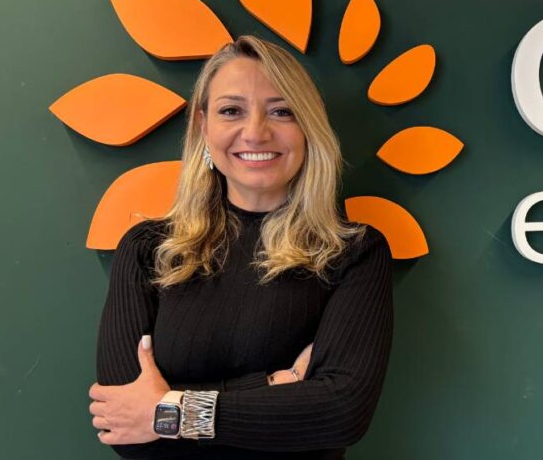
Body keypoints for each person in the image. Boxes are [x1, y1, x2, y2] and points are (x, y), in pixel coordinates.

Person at [88, 35, 394, 459]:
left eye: (282, 111)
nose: (255, 132)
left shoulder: (353, 253)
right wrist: (268, 387)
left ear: (308, 126)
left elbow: (341, 412)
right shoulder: (148, 250)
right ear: (203, 127)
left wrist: (170, 408)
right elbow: (125, 425)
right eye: (231, 110)